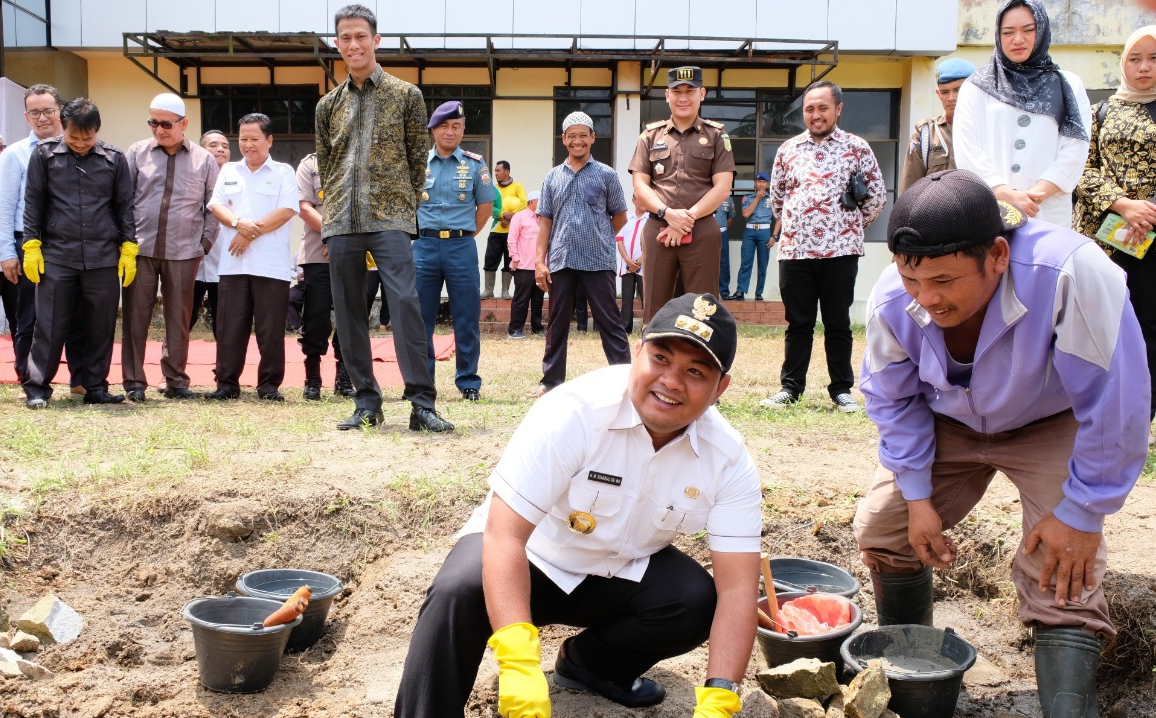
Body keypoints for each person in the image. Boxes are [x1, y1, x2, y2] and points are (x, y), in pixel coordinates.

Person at [856, 168, 1148, 718]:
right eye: (913, 279)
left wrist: (1082, 513)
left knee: (1064, 569)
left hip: (1052, 420)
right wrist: (917, 499)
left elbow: (1118, 401)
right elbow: (893, 402)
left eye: (944, 281)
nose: (927, 299)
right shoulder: (893, 298)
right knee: (885, 528)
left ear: (996, 255)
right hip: (950, 424)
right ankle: (915, 671)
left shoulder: (1072, 273)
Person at [394, 291, 761, 718]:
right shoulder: (575, 411)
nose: (672, 382)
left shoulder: (728, 458)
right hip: (530, 559)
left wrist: (721, 697)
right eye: (660, 358)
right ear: (637, 352)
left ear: (720, 388)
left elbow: (737, 588)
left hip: (616, 571)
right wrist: (517, 662)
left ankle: (589, 665)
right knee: (457, 591)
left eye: (695, 371)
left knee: (695, 601)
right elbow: (504, 536)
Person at [315, 3, 453, 432]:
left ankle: (422, 403)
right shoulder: (327, 105)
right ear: (337, 45)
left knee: (406, 305)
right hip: (341, 220)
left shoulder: (406, 95)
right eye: (345, 38)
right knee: (349, 310)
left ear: (376, 40)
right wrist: (335, 207)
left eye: (361, 36)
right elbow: (327, 163)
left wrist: (403, 205)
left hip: (391, 218)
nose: (353, 44)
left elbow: (418, 160)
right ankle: (366, 402)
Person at [761, 80, 886, 413]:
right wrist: (801, 223)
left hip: (840, 251)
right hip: (796, 251)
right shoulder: (788, 150)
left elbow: (876, 196)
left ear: (838, 109)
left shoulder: (857, 148)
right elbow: (777, 199)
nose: (816, 115)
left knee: (838, 322)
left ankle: (841, 390)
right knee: (797, 322)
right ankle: (790, 388)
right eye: (809, 109)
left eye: (822, 108)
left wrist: (846, 228)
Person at [21, 97, 137, 409]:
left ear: (97, 131)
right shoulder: (45, 155)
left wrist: (129, 245)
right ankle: (36, 388)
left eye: (88, 137)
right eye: (74, 137)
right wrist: (31, 244)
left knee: (100, 326)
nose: (81, 143)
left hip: (103, 257)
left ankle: (94, 386)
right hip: (58, 255)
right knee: (50, 325)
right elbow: (34, 202)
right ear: (64, 127)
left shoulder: (114, 158)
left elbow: (125, 206)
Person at [1073, 25, 1156, 444]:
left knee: (1150, 326)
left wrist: (1150, 209)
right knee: (1109, 325)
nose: (1143, 67)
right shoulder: (1102, 111)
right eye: (1134, 58)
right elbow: (1082, 169)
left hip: (1154, 237)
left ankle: (1142, 419)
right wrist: (1124, 204)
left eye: (1153, 58)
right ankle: (1106, 415)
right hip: (1111, 236)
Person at [953, 0, 1091, 229]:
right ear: (998, 35)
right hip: (990, 208)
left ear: (1043, 31)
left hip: (1046, 211)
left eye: (1028, 30)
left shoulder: (1068, 84)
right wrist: (1005, 194)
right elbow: (967, 148)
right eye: (1008, 32)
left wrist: (1035, 195)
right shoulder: (976, 87)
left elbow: (1076, 147)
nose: (1018, 40)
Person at [121, 93, 219, 402]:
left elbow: (213, 207)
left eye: (166, 123)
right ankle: (134, 381)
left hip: (184, 251)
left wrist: (203, 244)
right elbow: (122, 201)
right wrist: (125, 241)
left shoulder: (204, 159)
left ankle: (176, 380)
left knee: (179, 319)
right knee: (136, 317)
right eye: (153, 122)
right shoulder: (137, 153)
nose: (159, 129)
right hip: (142, 249)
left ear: (184, 123)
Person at [531, 111, 632, 397]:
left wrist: (601, 240)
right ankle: (551, 381)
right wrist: (540, 260)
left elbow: (620, 218)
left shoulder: (606, 175)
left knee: (609, 320)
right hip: (561, 260)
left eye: (583, 135)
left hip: (598, 261)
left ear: (592, 138)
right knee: (557, 321)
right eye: (571, 136)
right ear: (564, 140)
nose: (578, 141)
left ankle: (625, 378)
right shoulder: (552, 177)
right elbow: (545, 221)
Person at [630, 66, 736, 324]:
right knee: (654, 309)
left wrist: (685, 219)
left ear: (702, 94)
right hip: (658, 230)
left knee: (703, 309)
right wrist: (667, 214)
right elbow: (640, 185)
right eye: (677, 91)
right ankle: (652, 361)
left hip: (701, 230)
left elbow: (722, 186)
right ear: (667, 95)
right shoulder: (650, 136)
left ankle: (700, 362)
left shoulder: (717, 135)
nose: (683, 97)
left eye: (690, 91)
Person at [204, 113, 298, 402]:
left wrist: (246, 232)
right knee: (230, 327)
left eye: (254, 139)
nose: (247, 144)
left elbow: (285, 212)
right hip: (233, 266)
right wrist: (237, 224)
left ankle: (269, 386)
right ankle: (226, 384)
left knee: (270, 330)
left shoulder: (283, 172)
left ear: (269, 140)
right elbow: (216, 206)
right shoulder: (229, 171)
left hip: (270, 265)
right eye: (243, 139)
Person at [0, 84, 87, 393]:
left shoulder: (78, 147)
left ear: (59, 111)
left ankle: (81, 379)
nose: (42, 118)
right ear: (26, 116)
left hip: (71, 243)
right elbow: (5, 206)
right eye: (35, 112)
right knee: (30, 317)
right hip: (27, 243)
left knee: (77, 314)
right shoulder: (15, 155)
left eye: (48, 111)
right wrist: (7, 253)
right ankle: (30, 379)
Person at [415, 100, 493, 402]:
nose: (451, 131)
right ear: (434, 129)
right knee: (421, 318)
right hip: (423, 246)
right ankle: (423, 382)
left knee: (466, 316)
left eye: (456, 126)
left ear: (463, 131)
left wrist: (462, 235)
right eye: (445, 126)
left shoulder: (475, 164)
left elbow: (485, 209)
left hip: (461, 246)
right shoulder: (418, 163)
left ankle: (469, 381)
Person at [295, 151, 356, 400]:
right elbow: (304, 207)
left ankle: (345, 378)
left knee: (351, 317)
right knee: (315, 316)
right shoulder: (309, 163)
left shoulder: (361, 157)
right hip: (317, 254)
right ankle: (313, 379)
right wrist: (333, 235)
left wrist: (342, 241)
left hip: (355, 252)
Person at [899, 58, 978, 195]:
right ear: (938, 94)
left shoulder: (989, 130)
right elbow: (909, 189)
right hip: (937, 212)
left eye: (957, 90)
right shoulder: (926, 133)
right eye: (945, 92)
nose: (951, 98)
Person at [190, 129, 231, 338]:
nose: (220, 149)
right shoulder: (190, 176)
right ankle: (171, 368)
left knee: (224, 324)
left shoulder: (238, 178)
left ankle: (225, 370)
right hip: (192, 261)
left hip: (225, 264)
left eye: (225, 146)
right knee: (184, 318)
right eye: (213, 145)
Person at [728, 172, 777, 301]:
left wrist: (775, 236)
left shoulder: (772, 199)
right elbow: (745, 214)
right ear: (755, 183)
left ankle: (759, 292)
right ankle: (740, 291)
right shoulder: (748, 197)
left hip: (765, 233)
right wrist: (757, 199)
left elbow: (780, 218)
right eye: (758, 181)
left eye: (763, 182)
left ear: (767, 184)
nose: (761, 184)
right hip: (750, 232)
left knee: (762, 264)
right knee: (745, 262)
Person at [485, 160, 526, 300]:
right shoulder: (492, 188)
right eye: (495, 171)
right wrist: (503, 215)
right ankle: (488, 291)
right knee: (490, 259)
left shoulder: (517, 187)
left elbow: (524, 203)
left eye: (498, 171)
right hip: (496, 230)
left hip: (512, 232)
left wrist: (510, 218)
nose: (495, 173)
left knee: (509, 260)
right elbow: (490, 208)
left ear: (507, 172)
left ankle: (505, 291)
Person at [506, 190, 544, 339]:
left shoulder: (544, 219)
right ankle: (515, 330)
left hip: (539, 266)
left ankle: (537, 328)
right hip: (523, 266)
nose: (543, 204)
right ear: (532, 202)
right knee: (521, 300)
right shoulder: (519, 217)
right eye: (540, 201)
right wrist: (515, 258)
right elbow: (512, 239)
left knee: (538, 300)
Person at [616, 195, 646, 333]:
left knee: (646, 298)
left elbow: (652, 244)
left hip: (644, 266)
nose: (642, 202)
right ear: (634, 200)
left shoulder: (650, 220)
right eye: (640, 199)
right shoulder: (626, 219)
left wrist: (640, 260)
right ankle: (625, 329)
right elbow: (620, 241)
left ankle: (647, 327)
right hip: (627, 265)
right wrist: (627, 260)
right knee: (627, 299)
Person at [715, 195, 735, 298]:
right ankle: (708, 292)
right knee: (707, 263)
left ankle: (724, 293)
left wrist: (723, 228)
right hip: (708, 235)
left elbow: (731, 217)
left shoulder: (728, 199)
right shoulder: (704, 194)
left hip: (722, 233)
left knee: (724, 264)